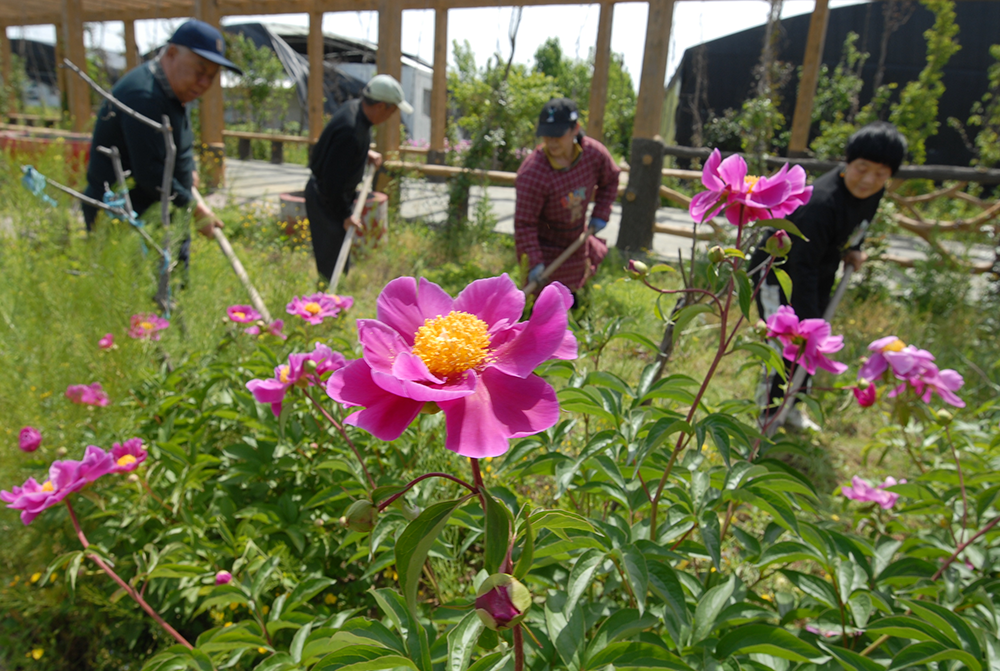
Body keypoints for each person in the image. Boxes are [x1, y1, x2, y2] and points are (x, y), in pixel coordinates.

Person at [750, 121, 908, 429]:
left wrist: (854, 249)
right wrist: (810, 323)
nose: (869, 180)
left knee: (811, 351)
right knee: (786, 347)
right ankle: (767, 415)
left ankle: (793, 409)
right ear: (847, 162)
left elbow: (859, 226)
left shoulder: (872, 194)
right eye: (862, 168)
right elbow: (800, 265)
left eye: (880, 174)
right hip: (776, 274)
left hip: (818, 272)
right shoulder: (820, 203)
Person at [82, 19, 239, 244]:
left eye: (212, 76)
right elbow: (151, 174)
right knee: (133, 279)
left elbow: (179, 143)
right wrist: (195, 210)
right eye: (199, 71)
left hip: (164, 211)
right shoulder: (144, 97)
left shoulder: (174, 91)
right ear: (172, 53)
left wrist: (189, 170)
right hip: (125, 219)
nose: (204, 83)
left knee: (174, 277)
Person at [306, 74, 411, 284]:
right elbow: (332, 182)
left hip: (329, 194)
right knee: (332, 265)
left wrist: (365, 154)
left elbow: (338, 153)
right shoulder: (351, 132)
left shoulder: (355, 109)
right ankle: (326, 305)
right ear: (381, 106)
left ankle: (333, 299)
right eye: (393, 110)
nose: (392, 116)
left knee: (338, 258)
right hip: (326, 200)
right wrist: (345, 215)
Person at [514, 98, 620, 303]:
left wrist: (601, 213)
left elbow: (611, 179)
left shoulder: (593, 154)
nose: (551, 142)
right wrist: (534, 262)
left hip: (578, 240)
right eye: (547, 135)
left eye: (558, 135)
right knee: (547, 305)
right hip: (546, 248)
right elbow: (525, 224)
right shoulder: (533, 173)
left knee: (577, 295)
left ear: (575, 129)